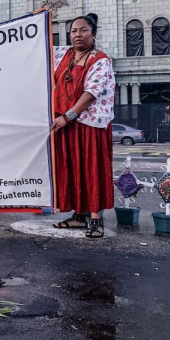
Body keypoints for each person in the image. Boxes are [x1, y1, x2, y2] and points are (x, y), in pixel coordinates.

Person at [51, 13, 115, 239]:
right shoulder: (64, 54)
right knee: (72, 168)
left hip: (89, 125)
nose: (77, 35)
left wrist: (67, 116)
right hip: (66, 124)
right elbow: (31, 46)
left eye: (83, 30)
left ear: (93, 34)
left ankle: (95, 219)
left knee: (91, 168)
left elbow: (91, 93)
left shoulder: (100, 60)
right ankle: (79, 216)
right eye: (73, 31)